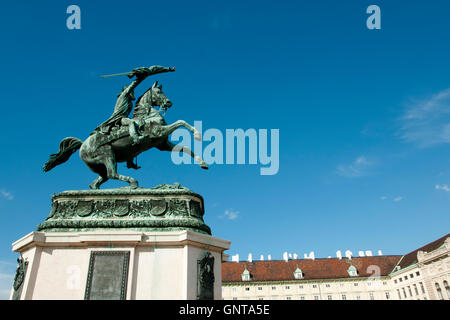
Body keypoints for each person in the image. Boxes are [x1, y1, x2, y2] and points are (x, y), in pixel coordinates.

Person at [94, 65, 175, 145]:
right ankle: (136, 138)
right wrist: (140, 77)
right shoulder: (124, 96)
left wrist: (166, 69)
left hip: (123, 118)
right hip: (119, 119)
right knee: (132, 122)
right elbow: (133, 84)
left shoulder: (129, 101)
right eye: (131, 91)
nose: (133, 92)